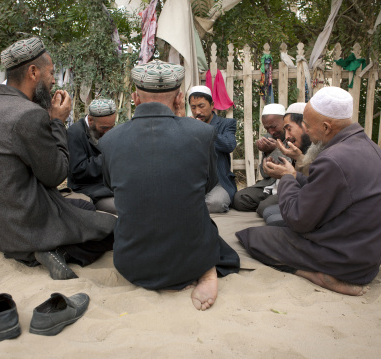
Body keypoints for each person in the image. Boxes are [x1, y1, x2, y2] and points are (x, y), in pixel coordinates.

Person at [0, 37, 116, 280]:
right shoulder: (28, 114)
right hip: (26, 224)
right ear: (33, 72)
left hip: (1, 227)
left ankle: (38, 246)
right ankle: (48, 250)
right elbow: (56, 174)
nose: (52, 82)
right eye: (50, 74)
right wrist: (58, 122)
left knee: (83, 206)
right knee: (113, 230)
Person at [100, 60, 240, 311]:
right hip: (190, 261)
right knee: (201, 218)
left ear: (135, 97)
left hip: (132, 264)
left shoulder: (110, 139)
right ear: (179, 98)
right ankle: (207, 273)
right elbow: (209, 184)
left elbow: (111, 185)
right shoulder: (202, 132)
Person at [236, 87, 381, 296]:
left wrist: (285, 178)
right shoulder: (368, 146)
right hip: (365, 257)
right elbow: (326, 189)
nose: (307, 131)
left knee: (253, 237)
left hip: (344, 262)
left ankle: (317, 275)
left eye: (307, 126)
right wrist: (293, 175)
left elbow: (298, 219)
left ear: (327, 127)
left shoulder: (332, 158)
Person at [232, 103, 288, 214]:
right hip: (270, 185)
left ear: (285, 121)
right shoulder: (268, 138)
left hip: (287, 186)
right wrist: (267, 152)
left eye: (273, 126)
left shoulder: (294, 136)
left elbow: (291, 165)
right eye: (267, 128)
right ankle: (272, 205)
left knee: (264, 207)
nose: (271, 132)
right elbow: (265, 174)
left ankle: (270, 205)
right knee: (239, 199)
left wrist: (276, 149)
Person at [188, 85, 237, 213]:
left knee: (216, 203)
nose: (197, 111)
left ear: (212, 105)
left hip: (219, 182)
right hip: (193, 181)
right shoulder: (187, 126)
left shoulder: (227, 124)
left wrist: (203, 130)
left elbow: (229, 145)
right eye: (193, 107)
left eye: (201, 106)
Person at [262, 102, 312, 226]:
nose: (288, 136)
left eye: (289, 129)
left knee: (268, 215)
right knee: (266, 211)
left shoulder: (322, 146)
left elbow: (314, 181)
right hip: (294, 191)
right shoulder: (292, 140)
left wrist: (288, 174)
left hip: (311, 201)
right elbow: (266, 175)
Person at [67, 99, 117, 214]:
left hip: (109, 187)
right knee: (124, 209)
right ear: (90, 120)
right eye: (104, 128)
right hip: (89, 190)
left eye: (112, 127)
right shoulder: (74, 133)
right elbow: (77, 170)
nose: (108, 132)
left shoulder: (106, 129)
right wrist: (108, 157)